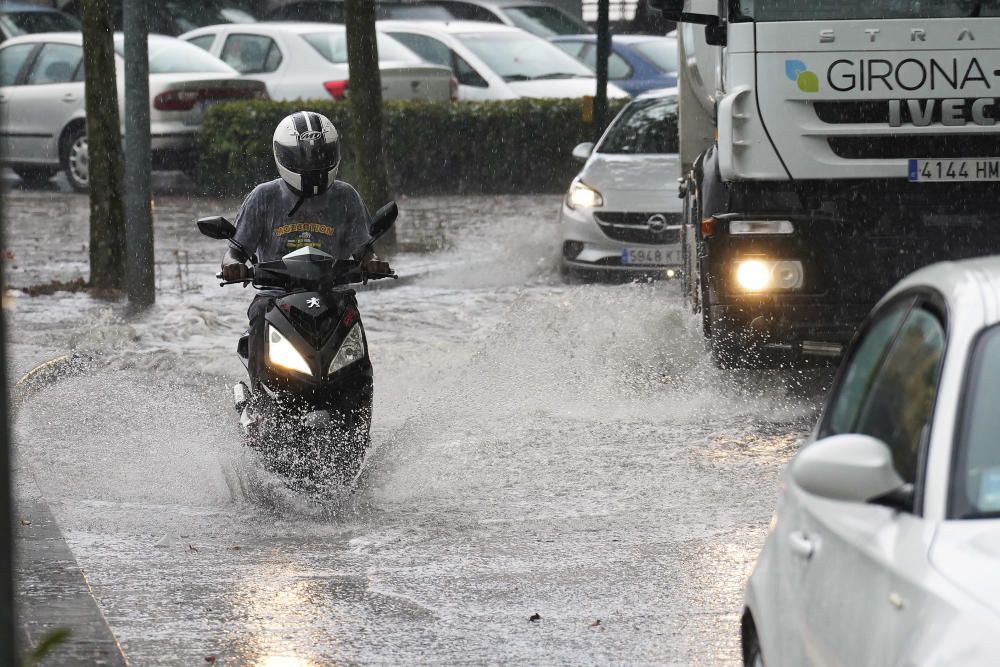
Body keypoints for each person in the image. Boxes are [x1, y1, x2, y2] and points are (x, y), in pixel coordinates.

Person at [221, 110, 391, 388]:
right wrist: (231, 265)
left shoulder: (346, 197)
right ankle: (259, 398)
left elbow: (364, 249)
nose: (313, 164)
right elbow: (236, 250)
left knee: (355, 344)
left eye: (320, 156)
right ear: (284, 156)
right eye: (304, 157)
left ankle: (358, 397)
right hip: (277, 298)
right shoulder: (263, 197)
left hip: (332, 298)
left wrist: (374, 262)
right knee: (258, 312)